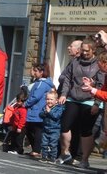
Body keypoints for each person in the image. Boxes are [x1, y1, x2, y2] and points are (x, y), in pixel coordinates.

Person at [57, 38, 103, 169]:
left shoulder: (98, 64)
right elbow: (67, 79)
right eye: (82, 50)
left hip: (90, 100)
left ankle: (84, 159)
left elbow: (101, 85)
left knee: (85, 130)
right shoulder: (75, 62)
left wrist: (97, 103)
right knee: (65, 125)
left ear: (93, 50)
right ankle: (65, 153)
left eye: (86, 50)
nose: (83, 52)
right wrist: (64, 94)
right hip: (73, 97)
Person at [24, 63, 54, 158]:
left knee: (36, 130)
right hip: (37, 109)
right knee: (32, 129)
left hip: (37, 109)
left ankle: (37, 150)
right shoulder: (41, 82)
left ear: (41, 72)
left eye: (36, 71)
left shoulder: (42, 83)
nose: (34, 73)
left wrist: (26, 103)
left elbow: (35, 97)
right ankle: (36, 149)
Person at [39, 90, 64, 163]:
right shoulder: (45, 107)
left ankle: (52, 158)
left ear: (56, 101)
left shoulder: (58, 108)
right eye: (47, 99)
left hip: (55, 130)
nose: (49, 101)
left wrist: (49, 112)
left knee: (53, 144)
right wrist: (44, 112)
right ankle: (44, 157)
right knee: (44, 144)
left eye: (51, 99)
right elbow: (40, 115)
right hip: (45, 129)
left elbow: (56, 116)